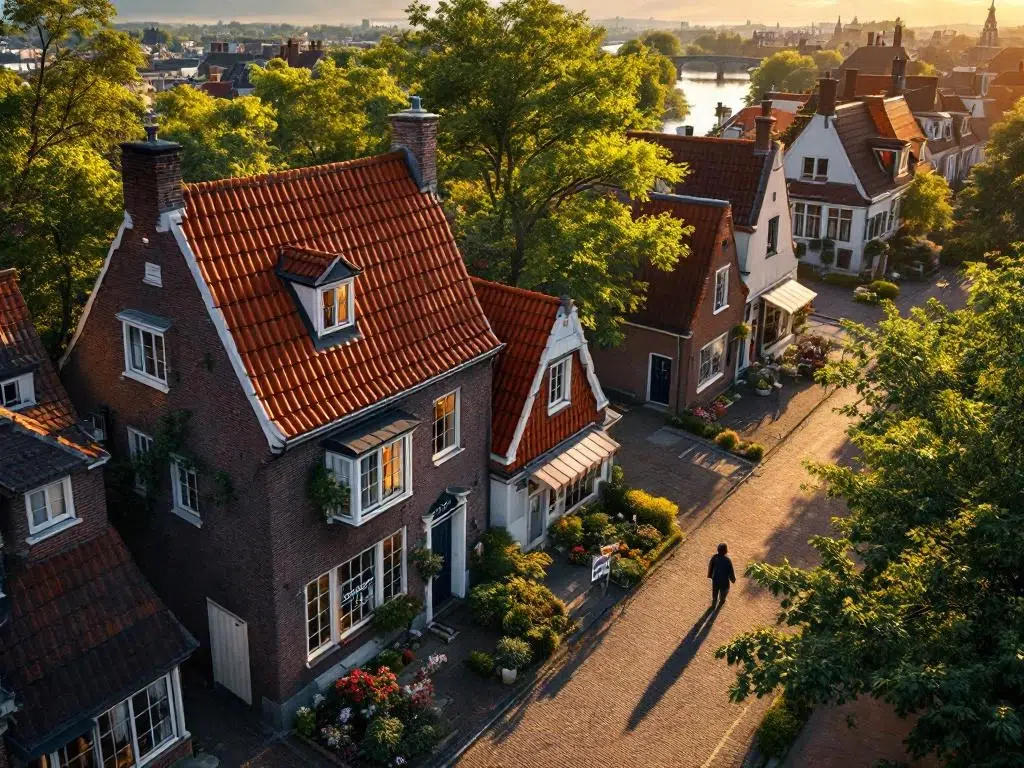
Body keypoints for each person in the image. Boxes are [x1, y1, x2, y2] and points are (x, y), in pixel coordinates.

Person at [708, 543, 736, 607]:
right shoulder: (727, 560)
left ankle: (714, 602)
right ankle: (721, 601)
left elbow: (711, 567)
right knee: (723, 592)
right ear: (726, 551)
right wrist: (733, 579)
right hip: (724, 581)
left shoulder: (714, 557)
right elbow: (730, 571)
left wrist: (710, 575)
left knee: (715, 591)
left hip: (716, 579)